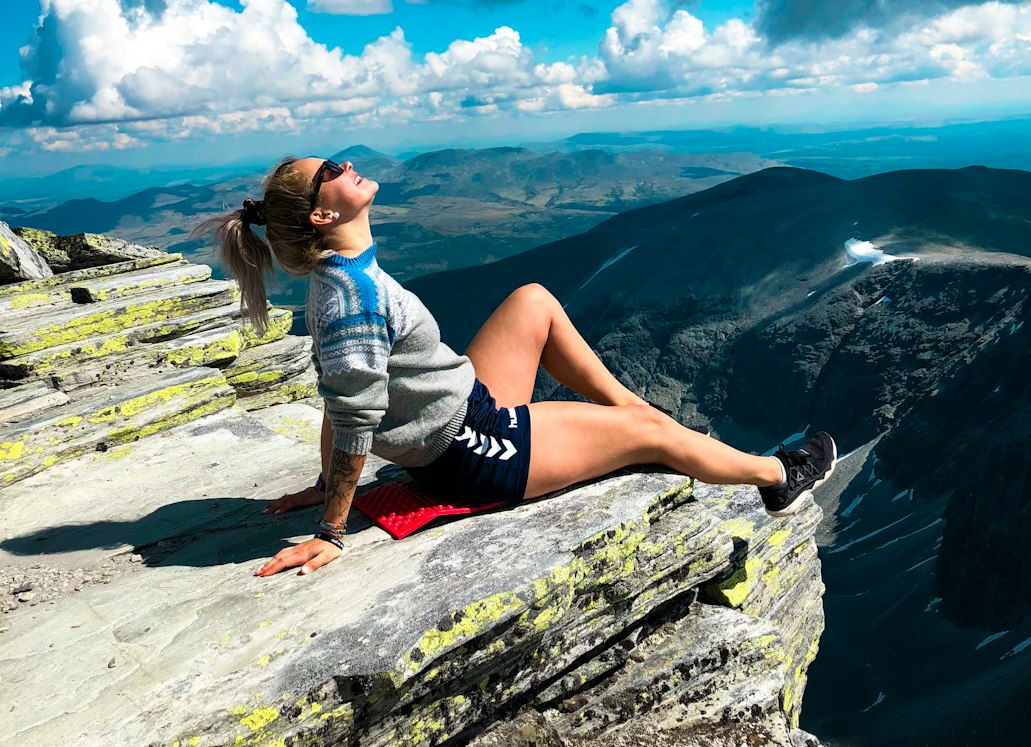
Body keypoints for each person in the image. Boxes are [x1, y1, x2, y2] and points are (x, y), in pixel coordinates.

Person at [202, 155, 837, 580]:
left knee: (532, 301)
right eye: (334, 170)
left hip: (466, 406)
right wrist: (332, 527)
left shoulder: (350, 273)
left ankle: (630, 410)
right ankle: (778, 475)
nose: (349, 165)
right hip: (473, 451)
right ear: (323, 215)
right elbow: (350, 413)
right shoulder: (353, 300)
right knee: (658, 442)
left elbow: (340, 393)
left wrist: (321, 482)